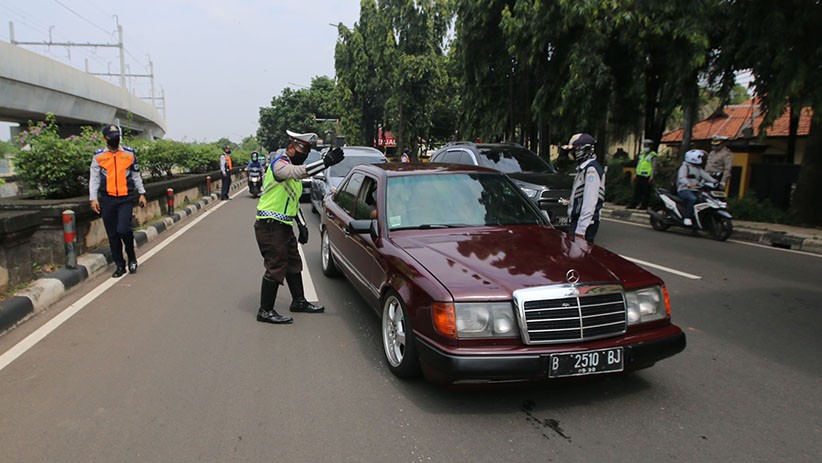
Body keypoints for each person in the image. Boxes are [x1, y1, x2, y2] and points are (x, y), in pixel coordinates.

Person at [254, 130, 345, 324]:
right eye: (302, 151)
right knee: (276, 265)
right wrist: (325, 162)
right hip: (269, 225)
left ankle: (299, 301)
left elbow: (293, 202)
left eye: (307, 152)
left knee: (294, 263)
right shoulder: (279, 165)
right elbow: (297, 172)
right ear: (291, 148)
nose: (304, 156)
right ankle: (265, 310)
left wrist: (302, 224)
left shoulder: (293, 174)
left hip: (283, 226)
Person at [89, 124, 148, 278]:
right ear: (105, 139)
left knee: (123, 229)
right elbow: (94, 179)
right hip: (107, 199)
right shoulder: (99, 156)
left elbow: (136, 175)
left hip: (125, 198)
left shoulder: (128, 153)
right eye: (112, 137)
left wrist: (142, 193)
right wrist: (93, 198)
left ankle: (132, 257)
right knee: (113, 235)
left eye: (117, 137)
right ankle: (120, 265)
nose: (115, 140)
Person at [564, 133, 605, 243]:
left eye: (575, 149)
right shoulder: (584, 168)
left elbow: (590, 201)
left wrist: (581, 229)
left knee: (578, 252)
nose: (572, 153)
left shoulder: (591, 170)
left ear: (584, 149)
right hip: (579, 221)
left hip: (586, 223)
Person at [677, 149, 716, 227]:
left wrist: (715, 181)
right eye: (699, 157)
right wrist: (688, 184)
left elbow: (706, 176)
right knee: (692, 199)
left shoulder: (698, 168)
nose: (701, 159)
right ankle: (687, 217)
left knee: (703, 200)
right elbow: (681, 178)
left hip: (696, 189)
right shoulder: (685, 167)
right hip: (684, 189)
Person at [627, 139, 658, 210]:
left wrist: (652, 176)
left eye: (647, 145)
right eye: (645, 145)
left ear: (651, 147)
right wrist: (635, 174)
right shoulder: (642, 154)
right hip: (639, 175)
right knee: (637, 191)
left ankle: (644, 205)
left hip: (647, 176)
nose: (645, 147)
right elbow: (639, 165)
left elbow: (654, 167)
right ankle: (633, 204)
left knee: (646, 192)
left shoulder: (653, 155)